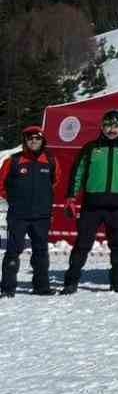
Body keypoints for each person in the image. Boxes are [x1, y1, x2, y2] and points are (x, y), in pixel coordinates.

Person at [62, 110, 118, 294]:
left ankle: (117, 282)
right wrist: (71, 197)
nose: (111, 130)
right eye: (108, 125)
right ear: (102, 126)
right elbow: (78, 172)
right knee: (82, 244)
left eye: (116, 126)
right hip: (93, 204)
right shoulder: (90, 147)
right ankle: (71, 282)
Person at [1, 126, 57, 296]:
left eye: (37, 138)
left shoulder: (50, 160)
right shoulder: (14, 160)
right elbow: (1, 184)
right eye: (30, 138)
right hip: (18, 216)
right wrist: (14, 199)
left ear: (42, 141)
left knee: (41, 251)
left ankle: (41, 287)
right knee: (13, 251)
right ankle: (7, 288)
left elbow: (55, 182)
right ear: (25, 140)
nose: (34, 141)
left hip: (41, 216)